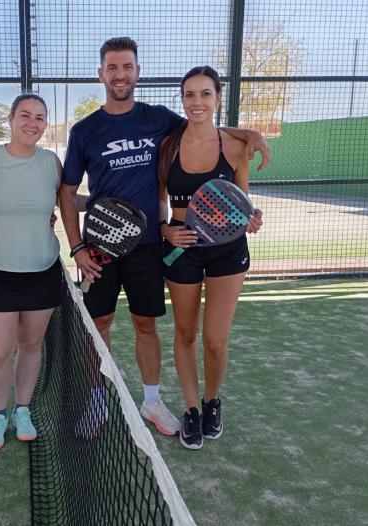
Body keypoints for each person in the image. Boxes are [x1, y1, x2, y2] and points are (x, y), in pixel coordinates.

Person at [58, 37, 270, 437]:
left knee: (145, 325)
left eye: (127, 67)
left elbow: (202, 124)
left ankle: (152, 402)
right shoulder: (84, 130)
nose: (120, 74)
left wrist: (250, 132)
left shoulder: (159, 119)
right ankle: (95, 399)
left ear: (137, 72)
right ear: (101, 73)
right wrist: (77, 246)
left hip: (149, 247)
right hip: (100, 247)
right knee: (98, 324)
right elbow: (67, 191)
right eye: (112, 67)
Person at [157, 66, 263, 449]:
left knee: (215, 339)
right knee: (185, 334)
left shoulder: (235, 147)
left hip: (227, 252)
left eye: (205, 94)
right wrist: (167, 231)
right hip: (181, 248)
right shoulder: (167, 146)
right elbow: (161, 204)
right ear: (182, 100)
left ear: (218, 98)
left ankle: (212, 400)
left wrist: (252, 218)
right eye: (189, 94)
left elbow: (242, 202)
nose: (196, 102)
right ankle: (191, 409)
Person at [0, 94, 62, 450]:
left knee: (31, 345)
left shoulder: (52, 163)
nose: (32, 123)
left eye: (40, 117)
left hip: (42, 270)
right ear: (11, 119)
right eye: (25, 115)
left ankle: (23, 409)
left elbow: (64, 203)